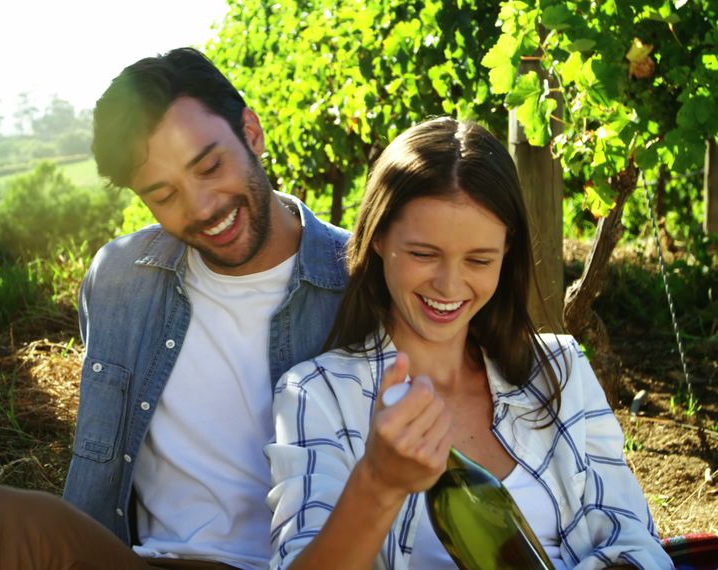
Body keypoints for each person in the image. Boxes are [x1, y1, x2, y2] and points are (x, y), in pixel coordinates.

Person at [0, 48, 350, 569]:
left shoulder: (361, 283)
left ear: (251, 133)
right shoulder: (120, 280)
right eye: (164, 195)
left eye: (210, 166)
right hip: (143, 561)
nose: (202, 207)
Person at [265, 117, 673, 569]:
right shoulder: (317, 394)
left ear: (507, 251)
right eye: (423, 254)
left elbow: (635, 541)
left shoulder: (560, 370)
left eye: (479, 260)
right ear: (378, 237)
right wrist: (377, 484)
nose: (448, 285)